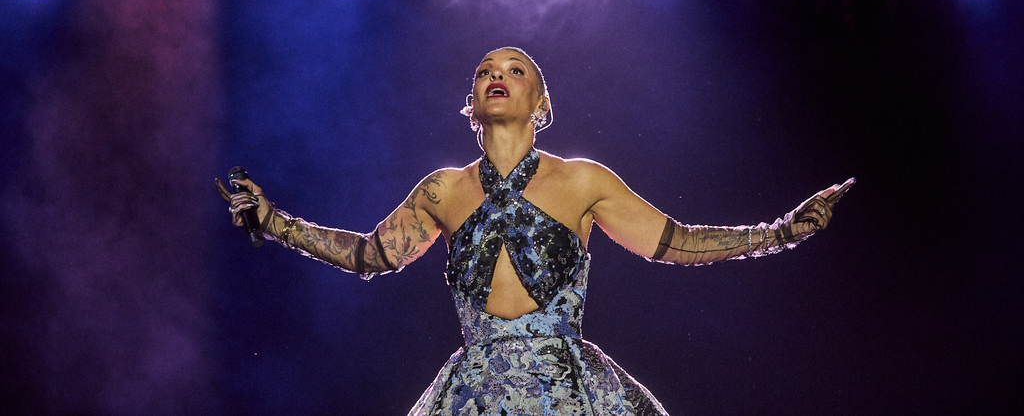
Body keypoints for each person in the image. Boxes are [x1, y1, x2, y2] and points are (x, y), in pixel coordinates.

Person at [217, 46, 853, 415]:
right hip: (475, 391)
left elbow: (675, 241)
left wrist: (780, 231)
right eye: (485, 70)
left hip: (567, 390)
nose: (498, 74)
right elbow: (368, 255)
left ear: (542, 106)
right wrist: (273, 222)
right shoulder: (443, 190)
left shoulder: (582, 181)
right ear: (472, 103)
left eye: (517, 70)